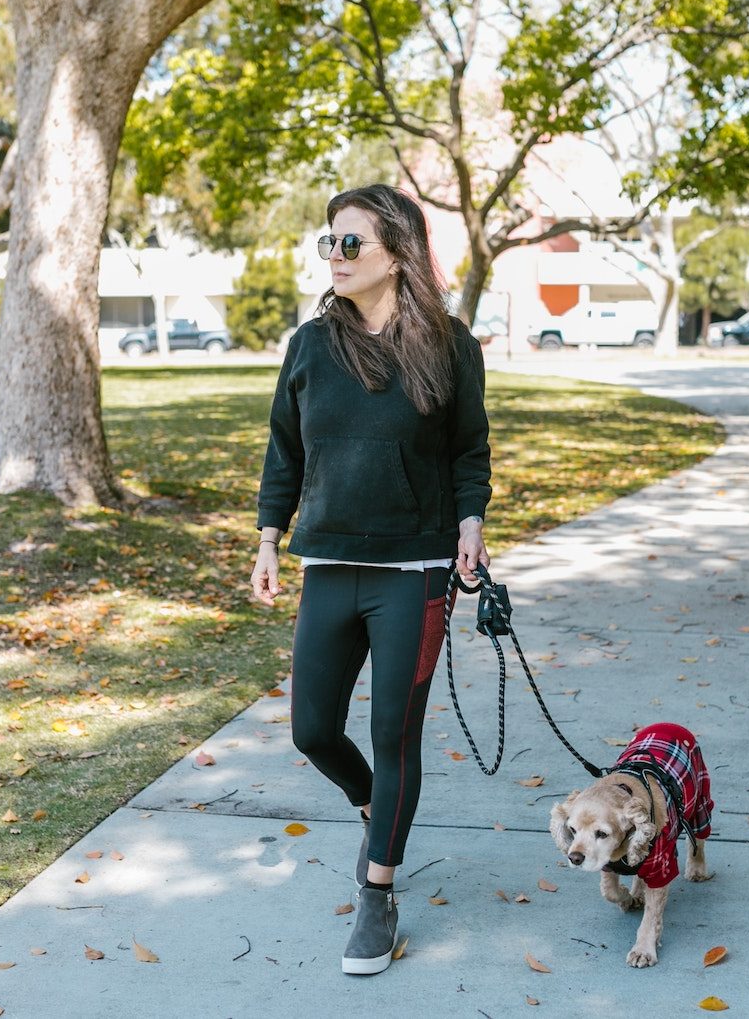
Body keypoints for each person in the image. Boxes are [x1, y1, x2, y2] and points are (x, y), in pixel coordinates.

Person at [251, 184, 492, 976]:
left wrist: (470, 523)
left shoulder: (449, 344)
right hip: (329, 563)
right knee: (313, 729)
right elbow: (284, 448)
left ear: (398, 250)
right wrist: (267, 539)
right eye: (330, 242)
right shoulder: (311, 344)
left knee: (395, 733)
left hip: (415, 572)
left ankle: (378, 893)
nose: (336, 256)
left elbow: (468, 450)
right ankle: (373, 808)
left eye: (351, 243)